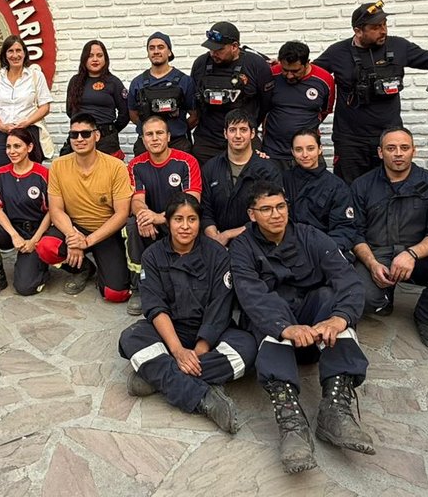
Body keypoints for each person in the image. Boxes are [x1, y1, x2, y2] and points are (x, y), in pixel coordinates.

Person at [230, 183, 374, 473]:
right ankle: (291, 422)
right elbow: (250, 295)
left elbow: (348, 279)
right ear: (252, 214)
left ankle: (335, 409)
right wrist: (286, 328)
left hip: (313, 327)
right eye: (266, 209)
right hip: (275, 326)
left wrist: (340, 318)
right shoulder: (242, 246)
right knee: (267, 310)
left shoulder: (311, 236)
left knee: (331, 299)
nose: (276, 215)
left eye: (280, 207)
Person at [117, 194, 256, 433]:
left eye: (192, 219)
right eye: (178, 219)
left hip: (211, 333)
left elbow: (220, 306)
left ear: (199, 222)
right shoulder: (152, 256)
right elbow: (155, 307)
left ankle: (158, 375)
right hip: (171, 332)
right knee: (131, 338)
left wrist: (200, 349)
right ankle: (204, 398)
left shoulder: (218, 254)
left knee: (247, 348)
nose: (185, 226)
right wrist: (178, 351)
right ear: (168, 222)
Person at [349, 128, 428, 350]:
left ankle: (427, 317)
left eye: (404, 148)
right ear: (380, 152)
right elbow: (354, 232)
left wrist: (411, 254)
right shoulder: (362, 185)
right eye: (391, 148)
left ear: (413, 151)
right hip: (379, 256)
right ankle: (383, 298)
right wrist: (372, 264)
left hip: (422, 256)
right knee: (362, 298)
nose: (398, 153)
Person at [314, 1, 428, 183]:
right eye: (376, 27)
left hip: (389, 138)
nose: (383, 31)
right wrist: (281, 68)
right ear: (358, 31)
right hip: (350, 141)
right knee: (348, 189)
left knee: (389, 187)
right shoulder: (337, 52)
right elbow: (309, 73)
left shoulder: (399, 46)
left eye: (384, 24)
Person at [36, 112, 133, 301]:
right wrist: (73, 237)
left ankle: (104, 269)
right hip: (73, 227)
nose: (79, 139)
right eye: (74, 135)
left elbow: (121, 214)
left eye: (85, 134)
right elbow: (56, 210)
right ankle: (83, 269)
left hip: (105, 231)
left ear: (96, 136)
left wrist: (87, 242)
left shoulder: (116, 167)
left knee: (115, 294)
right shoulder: (58, 166)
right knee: (46, 248)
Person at [125, 115, 203, 315]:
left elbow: (192, 202)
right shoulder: (135, 165)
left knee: (188, 222)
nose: (155, 138)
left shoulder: (186, 162)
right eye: (149, 134)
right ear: (143, 139)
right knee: (132, 225)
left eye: (159, 133)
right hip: (151, 225)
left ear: (168, 136)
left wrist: (160, 218)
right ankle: (138, 287)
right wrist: (143, 216)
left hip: (177, 222)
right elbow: (136, 200)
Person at [0, 129, 52, 298]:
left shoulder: (43, 174)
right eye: (8, 147)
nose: (11, 151)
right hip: (11, 229)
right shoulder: (1, 173)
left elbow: (52, 211)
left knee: (25, 288)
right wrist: (14, 235)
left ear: (29, 147)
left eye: (17, 146)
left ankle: (40, 267)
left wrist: (34, 240)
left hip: (36, 232)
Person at [190, 21, 273, 163]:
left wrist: (250, 125)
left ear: (234, 46)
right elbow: (194, 99)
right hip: (208, 141)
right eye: (210, 49)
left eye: (219, 49)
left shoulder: (256, 65)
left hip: (244, 139)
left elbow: (266, 104)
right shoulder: (201, 64)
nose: (213, 53)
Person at [201, 110, 280, 248]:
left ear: (253, 133)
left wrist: (228, 234)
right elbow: (205, 211)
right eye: (232, 130)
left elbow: (271, 213)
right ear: (225, 133)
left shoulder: (268, 170)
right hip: (216, 245)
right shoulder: (210, 168)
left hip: (257, 245)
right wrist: (214, 238)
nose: (238, 136)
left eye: (243, 130)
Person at [281, 130, 359, 252]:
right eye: (299, 149)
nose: (305, 154)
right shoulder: (282, 180)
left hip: (324, 251)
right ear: (292, 152)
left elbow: (344, 229)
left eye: (310, 149)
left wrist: (325, 252)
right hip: (287, 249)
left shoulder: (337, 186)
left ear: (320, 149)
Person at [262, 41, 334, 170]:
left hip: (307, 154)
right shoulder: (271, 75)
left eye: (295, 71)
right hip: (273, 152)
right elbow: (261, 106)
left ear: (307, 63)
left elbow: (325, 111)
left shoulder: (325, 79)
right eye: (285, 70)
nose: (289, 75)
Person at [0, 35, 53, 166]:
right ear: (4, 55)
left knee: (30, 172)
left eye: (18, 50)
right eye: (10, 51)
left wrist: (27, 122)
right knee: (4, 172)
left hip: (28, 132)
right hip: (2, 135)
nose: (15, 55)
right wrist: (1, 126)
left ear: (24, 53)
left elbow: (45, 107)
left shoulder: (36, 76)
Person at [127, 32, 197, 155]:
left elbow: (194, 116)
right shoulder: (138, 82)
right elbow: (133, 115)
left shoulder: (185, 81)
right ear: (148, 53)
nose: (156, 51)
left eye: (160, 47)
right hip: (147, 145)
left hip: (177, 143)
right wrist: (149, 131)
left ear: (169, 52)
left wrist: (178, 128)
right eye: (151, 48)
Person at [63, 40, 128, 157]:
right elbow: (70, 111)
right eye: (90, 56)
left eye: (99, 55)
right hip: (79, 137)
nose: (95, 59)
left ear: (105, 58)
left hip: (106, 139)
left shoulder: (114, 82)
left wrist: (110, 130)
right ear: (84, 59)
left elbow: (125, 113)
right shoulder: (75, 81)